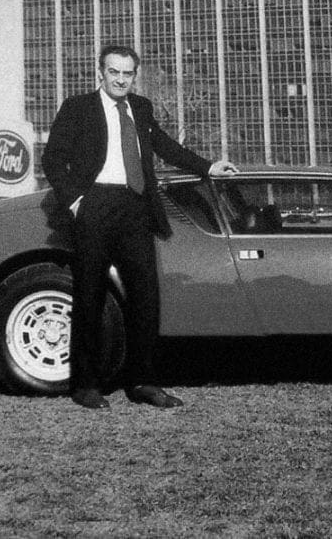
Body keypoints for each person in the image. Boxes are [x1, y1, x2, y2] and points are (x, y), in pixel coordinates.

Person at [42, 45, 238, 410]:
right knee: (90, 297)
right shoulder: (78, 107)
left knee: (146, 298)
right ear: (100, 72)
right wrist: (76, 201)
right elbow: (52, 158)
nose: (120, 79)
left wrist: (207, 167)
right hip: (95, 205)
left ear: (135, 75)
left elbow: (166, 147)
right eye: (114, 72)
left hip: (135, 208)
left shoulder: (142, 108)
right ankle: (85, 384)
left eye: (127, 73)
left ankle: (143, 382)